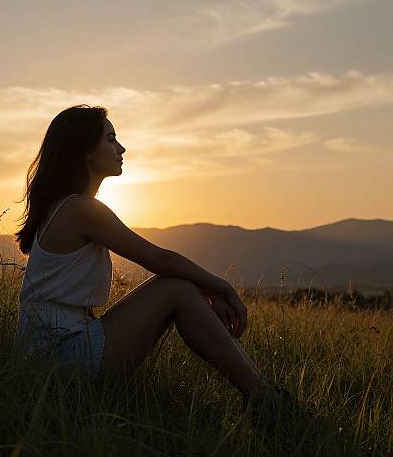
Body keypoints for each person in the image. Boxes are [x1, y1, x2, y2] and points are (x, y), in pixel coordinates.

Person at [14, 104, 272, 403]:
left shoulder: (67, 206)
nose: (121, 148)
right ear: (84, 149)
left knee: (178, 287)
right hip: (58, 359)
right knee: (174, 288)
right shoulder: (80, 209)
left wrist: (206, 289)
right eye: (110, 139)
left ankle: (263, 395)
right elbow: (160, 260)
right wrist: (221, 287)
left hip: (58, 352)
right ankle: (265, 398)